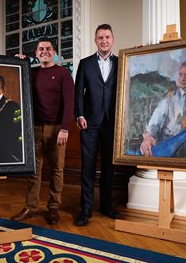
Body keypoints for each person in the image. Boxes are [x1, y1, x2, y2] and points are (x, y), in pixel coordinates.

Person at [11, 37, 74, 225]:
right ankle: (31, 207)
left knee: (57, 170)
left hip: (56, 129)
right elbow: (16, 85)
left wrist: (64, 128)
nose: (44, 51)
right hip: (34, 128)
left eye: (48, 48)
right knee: (33, 171)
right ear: (36, 53)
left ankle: (53, 207)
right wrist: (18, 63)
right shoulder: (30, 73)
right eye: (40, 49)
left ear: (54, 52)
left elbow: (69, 103)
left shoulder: (64, 74)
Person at [74, 24, 119, 226]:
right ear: (95, 41)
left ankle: (106, 205)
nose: (104, 41)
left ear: (112, 39)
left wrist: (138, 53)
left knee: (109, 166)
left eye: (107, 37)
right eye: (100, 37)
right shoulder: (85, 63)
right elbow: (78, 92)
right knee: (88, 167)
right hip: (89, 123)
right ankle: (86, 209)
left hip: (112, 124)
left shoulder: (122, 62)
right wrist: (80, 115)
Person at [140, 60, 186, 159]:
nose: (182, 79)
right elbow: (154, 121)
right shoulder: (169, 98)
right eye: (180, 75)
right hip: (171, 146)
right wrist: (148, 136)